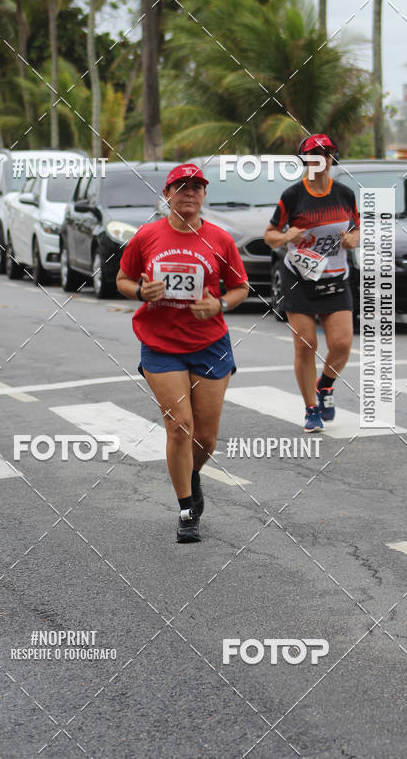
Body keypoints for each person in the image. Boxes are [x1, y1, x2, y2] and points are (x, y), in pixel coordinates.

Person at [117, 163, 249, 544]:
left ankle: (190, 472)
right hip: (161, 345)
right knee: (179, 427)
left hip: (209, 344)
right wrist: (141, 292)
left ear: (204, 195)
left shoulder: (221, 240)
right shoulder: (146, 236)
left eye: (197, 188)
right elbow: (122, 279)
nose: (189, 193)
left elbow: (240, 288)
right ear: (167, 194)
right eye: (182, 187)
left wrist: (219, 304)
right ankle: (187, 509)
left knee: (205, 438)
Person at [264, 135, 360, 432]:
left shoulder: (344, 194)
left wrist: (353, 239)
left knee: (342, 344)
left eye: (326, 154)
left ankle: (326, 385)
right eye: (313, 154)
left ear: (333, 158)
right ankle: (310, 409)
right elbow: (270, 235)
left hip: (334, 278)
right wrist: (286, 237)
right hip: (299, 279)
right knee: (306, 345)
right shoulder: (293, 196)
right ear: (304, 160)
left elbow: (357, 229)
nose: (320, 159)